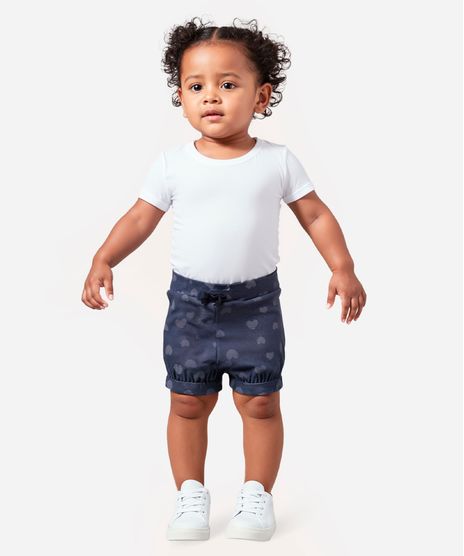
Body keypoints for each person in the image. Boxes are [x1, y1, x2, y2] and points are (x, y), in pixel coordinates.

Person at [81, 17, 367, 542]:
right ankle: (190, 495)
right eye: (196, 87)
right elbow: (140, 218)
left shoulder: (277, 161)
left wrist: (342, 267)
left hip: (255, 306)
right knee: (187, 402)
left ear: (262, 96)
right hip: (190, 306)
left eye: (228, 84)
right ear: (181, 97)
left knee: (260, 402)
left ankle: (257, 495)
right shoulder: (172, 165)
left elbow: (315, 214)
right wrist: (105, 258)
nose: (210, 96)